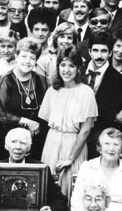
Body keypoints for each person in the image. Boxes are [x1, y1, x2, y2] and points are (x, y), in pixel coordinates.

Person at [39, 45, 98, 197]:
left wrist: (70, 158)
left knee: (70, 191)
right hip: (51, 143)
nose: (66, 70)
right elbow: (46, 122)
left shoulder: (86, 92)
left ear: (79, 69)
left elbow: (85, 131)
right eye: (63, 65)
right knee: (48, 189)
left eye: (72, 66)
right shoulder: (53, 90)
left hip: (73, 145)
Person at [0, 38, 48, 160]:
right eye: (24, 56)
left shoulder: (41, 80)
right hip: (9, 140)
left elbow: (46, 109)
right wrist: (28, 122)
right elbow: (0, 113)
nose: (27, 61)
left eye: (32, 58)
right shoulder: (5, 80)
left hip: (35, 140)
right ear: (16, 56)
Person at [84, 33, 122, 158]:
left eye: (104, 51)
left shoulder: (121, 81)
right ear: (89, 52)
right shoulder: (77, 72)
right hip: (73, 137)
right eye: (95, 51)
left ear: (110, 53)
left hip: (99, 143)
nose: (99, 56)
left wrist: (114, 117)